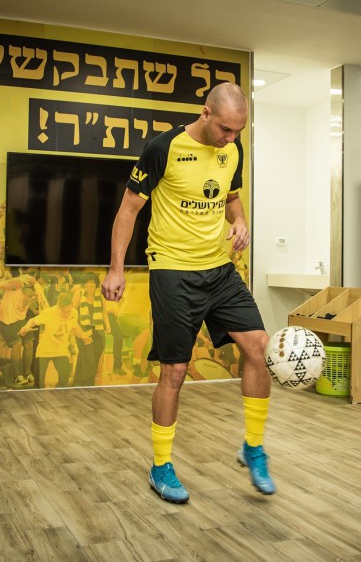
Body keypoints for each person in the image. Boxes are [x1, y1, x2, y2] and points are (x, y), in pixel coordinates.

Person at [102, 82, 274, 504]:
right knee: (175, 371)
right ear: (206, 113)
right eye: (226, 129)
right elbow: (128, 210)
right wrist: (116, 269)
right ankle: (161, 465)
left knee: (258, 347)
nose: (231, 138)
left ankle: (253, 447)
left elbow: (231, 198)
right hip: (173, 270)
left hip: (219, 270)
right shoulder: (162, 148)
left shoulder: (233, 149)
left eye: (238, 131)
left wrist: (240, 221)